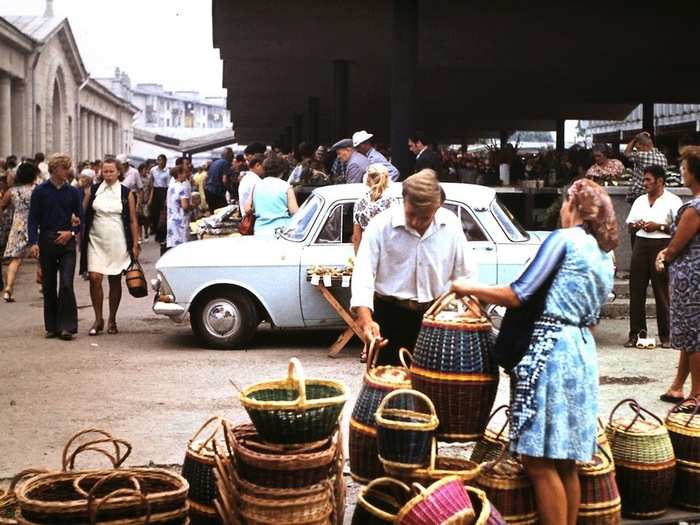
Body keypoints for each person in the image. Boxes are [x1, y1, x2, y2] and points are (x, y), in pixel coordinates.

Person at [451, 178, 616, 525]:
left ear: (572, 207)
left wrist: (468, 286)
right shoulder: (603, 254)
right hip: (581, 351)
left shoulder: (564, 240)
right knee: (566, 461)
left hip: (549, 352)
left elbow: (518, 293)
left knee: (538, 460)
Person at [351, 170, 476, 365]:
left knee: (434, 387)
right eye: (411, 215)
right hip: (391, 318)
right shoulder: (381, 226)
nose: (416, 222)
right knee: (391, 388)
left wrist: (465, 315)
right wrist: (367, 321)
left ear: (437, 207)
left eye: (424, 217)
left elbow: (465, 276)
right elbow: (363, 276)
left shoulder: (450, 224)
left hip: (436, 318)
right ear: (404, 201)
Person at [656, 146, 700, 404]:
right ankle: (677, 386)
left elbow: (677, 245)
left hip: (691, 277)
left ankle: (696, 394)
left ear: (693, 174)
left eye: (684, 169)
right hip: (694, 274)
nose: (682, 172)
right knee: (689, 334)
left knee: (693, 337)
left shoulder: (693, 208)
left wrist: (664, 255)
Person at [80, 158, 139, 336]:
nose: (108, 174)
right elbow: (83, 211)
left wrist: (135, 244)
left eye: (111, 171)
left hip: (118, 241)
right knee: (95, 277)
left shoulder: (126, 193)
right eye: (105, 171)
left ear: (118, 172)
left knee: (115, 279)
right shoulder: (94, 190)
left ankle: (112, 318)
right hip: (95, 240)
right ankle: (98, 319)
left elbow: (133, 221)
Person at [624, 165, 682, 348]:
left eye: (648, 180)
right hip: (641, 244)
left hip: (662, 246)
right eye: (644, 179)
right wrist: (637, 225)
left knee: (662, 291)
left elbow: (680, 229)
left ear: (660, 181)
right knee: (636, 291)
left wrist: (659, 226)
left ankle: (667, 336)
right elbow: (629, 225)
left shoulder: (673, 201)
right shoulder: (640, 200)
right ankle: (637, 334)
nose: (645, 183)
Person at [28, 153, 83, 340]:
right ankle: (52, 326)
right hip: (47, 239)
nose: (68, 171)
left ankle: (67, 327)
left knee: (66, 284)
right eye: (64, 168)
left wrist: (72, 233)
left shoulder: (73, 192)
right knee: (49, 284)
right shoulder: (40, 191)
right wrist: (33, 242)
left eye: (68, 167)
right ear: (54, 169)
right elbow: (33, 219)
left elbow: (82, 219)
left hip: (67, 241)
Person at [0, 162, 38, 301]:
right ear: (34, 175)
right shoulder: (37, 189)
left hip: (18, 226)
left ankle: (8, 288)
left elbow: (2, 206)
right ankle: (43, 286)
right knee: (43, 258)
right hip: (36, 224)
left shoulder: (12, 191)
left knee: (16, 259)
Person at [245, 155, 298, 236]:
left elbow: (247, 209)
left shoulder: (256, 186)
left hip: (260, 230)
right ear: (282, 171)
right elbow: (294, 211)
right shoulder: (286, 186)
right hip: (281, 230)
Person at [352, 163, 397, 253]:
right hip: (386, 251)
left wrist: (358, 259)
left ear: (367, 179)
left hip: (367, 250)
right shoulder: (392, 202)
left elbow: (357, 237)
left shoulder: (360, 202)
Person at [625, 131, 668, 204]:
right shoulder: (662, 157)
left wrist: (635, 138)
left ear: (645, 146)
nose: (637, 150)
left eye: (638, 148)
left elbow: (627, 153)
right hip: (658, 193)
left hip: (640, 193)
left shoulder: (642, 156)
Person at [166, 163, 192, 250]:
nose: (186, 175)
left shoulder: (171, 187)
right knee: (183, 247)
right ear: (179, 175)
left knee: (174, 247)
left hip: (171, 220)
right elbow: (185, 206)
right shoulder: (182, 188)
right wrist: (193, 206)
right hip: (181, 221)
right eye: (184, 173)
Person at [205, 147, 233, 211]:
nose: (232, 158)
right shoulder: (226, 163)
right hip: (216, 192)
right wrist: (231, 191)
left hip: (208, 191)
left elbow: (206, 178)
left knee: (213, 212)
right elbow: (225, 180)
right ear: (228, 155)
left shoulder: (214, 162)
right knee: (223, 211)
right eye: (232, 155)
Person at [149, 154, 169, 242]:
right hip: (156, 191)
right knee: (155, 213)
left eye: (161, 160)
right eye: (158, 160)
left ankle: (163, 234)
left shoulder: (168, 171)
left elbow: (168, 185)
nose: (159, 162)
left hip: (164, 191)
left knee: (163, 214)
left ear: (165, 161)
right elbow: (151, 183)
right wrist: (150, 196)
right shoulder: (153, 170)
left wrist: (166, 198)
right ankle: (157, 233)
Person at [137, 162, 152, 239]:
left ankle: (146, 233)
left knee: (146, 218)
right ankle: (139, 235)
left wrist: (150, 199)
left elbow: (151, 188)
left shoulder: (149, 177)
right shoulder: (137, 177)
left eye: (146, 169)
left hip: (146, 200)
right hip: (138, 200)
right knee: (139, 218)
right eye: (144, 170)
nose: (145, 171)